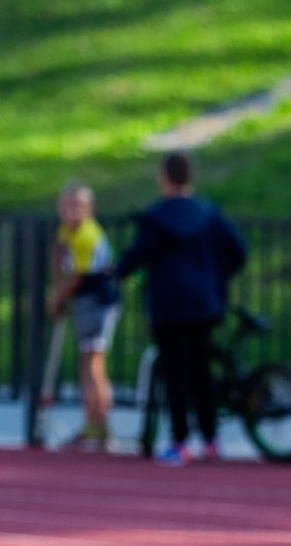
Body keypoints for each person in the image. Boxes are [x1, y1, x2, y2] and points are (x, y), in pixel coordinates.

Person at [113, 152, 247, 465]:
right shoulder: (208, 213)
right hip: (203, 303)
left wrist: (117, 274)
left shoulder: (156, 218)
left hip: (169, 304)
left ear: (165, 177)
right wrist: (216, 279)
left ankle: (180, 439)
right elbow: (237, 250)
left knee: (174, 373)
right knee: (201, 370)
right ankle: (211, 439)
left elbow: (136, 256)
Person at [49, 183, 123, 451]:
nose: (71, 211)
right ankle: (93, 423)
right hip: (83, 300)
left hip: (98, 301)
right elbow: (58, 253)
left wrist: (58, 297)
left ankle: (99, 425)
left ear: (89, 209)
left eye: (77, 206)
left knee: (94, 364)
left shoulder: (87, 236)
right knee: (86, 363)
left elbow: (79, 276)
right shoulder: (67, 230)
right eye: (67, 206)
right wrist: (57, 286)